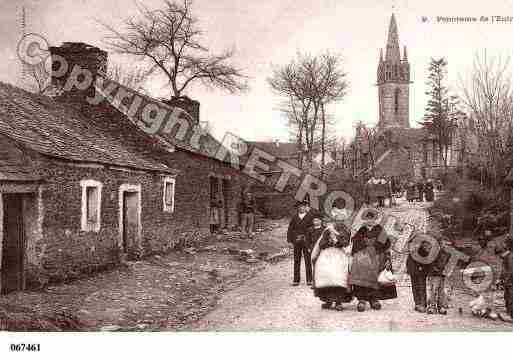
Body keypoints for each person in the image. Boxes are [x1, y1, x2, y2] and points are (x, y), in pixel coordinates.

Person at [349, 221, 391, 312]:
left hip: (377, 255)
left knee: (375, 276)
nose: (370, 221)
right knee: (360, 275)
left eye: (372, 219)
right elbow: (355, 242)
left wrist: (386, 257)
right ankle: (361, 300)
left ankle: (374, 299)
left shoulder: (380, 230)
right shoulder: (362, 230)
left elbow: (386, 245)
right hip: (362, 256)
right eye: (368, 218)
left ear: (376, 220)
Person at [311, 223, 353, 310]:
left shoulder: (345, 230)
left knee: (338, 276)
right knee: (325, 275)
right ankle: (327, 300)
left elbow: (346, 244)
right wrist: (329, 241)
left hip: (339, 254)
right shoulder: (327, 230)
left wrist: (336, 240)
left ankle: (338, 301)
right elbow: (321, 244)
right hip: (327, 254)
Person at [287, 200, 316, 286]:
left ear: (306, 207)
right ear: (297, 208)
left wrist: (310, 240)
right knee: (297, 260)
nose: (301, 208)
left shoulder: (310, 217)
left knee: (308, 260)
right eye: (299, 207)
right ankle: (296, 280)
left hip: (306, 241)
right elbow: (290, 229)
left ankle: (309, 280)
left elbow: (312, 230)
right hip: (296, 241)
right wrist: (290, 240)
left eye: (303, 206)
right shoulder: (294, 217)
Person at [495, 238, 513, 321]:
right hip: (508, 282)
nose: (499, 257)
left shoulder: (510, 257)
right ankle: (508, 311)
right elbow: (503, 271)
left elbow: (510, 271)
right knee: (507, 296)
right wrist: (499, 279)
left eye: (499, 255)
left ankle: (511, 314)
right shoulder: (505, 258)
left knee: (510, 296)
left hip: (510, 281)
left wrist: (506, 281)